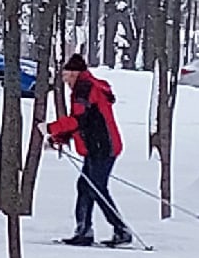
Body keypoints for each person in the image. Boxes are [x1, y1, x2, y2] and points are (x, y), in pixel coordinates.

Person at [40, 53, 131, 246]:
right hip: (98, 146)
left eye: (66, 77)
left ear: (75, 73)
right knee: (85, 186)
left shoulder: (84, 88)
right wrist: (59, 138)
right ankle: (84, 230)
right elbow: (83, 122)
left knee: (96, 187)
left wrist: (51, 128)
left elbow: (79, 121)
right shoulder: (87, 86)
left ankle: (121, 230)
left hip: (102, 147)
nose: (65, 81)